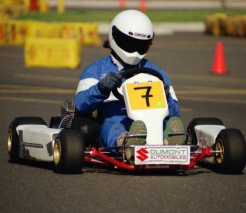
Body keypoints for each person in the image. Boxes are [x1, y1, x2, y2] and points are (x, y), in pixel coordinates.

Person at [74, 9, 185, 152]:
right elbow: (79, 104)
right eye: (130, 44)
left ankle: (168, 142)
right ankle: (126, 142)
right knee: (111, 128)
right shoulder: (96, 70)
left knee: (165, 124)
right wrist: (101, 89)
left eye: (140, 46)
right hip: (115, 119)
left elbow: (175, 113)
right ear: (115, 36)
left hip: (151, 121)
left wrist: (167, 96)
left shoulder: (157, 73)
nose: (135, 51)